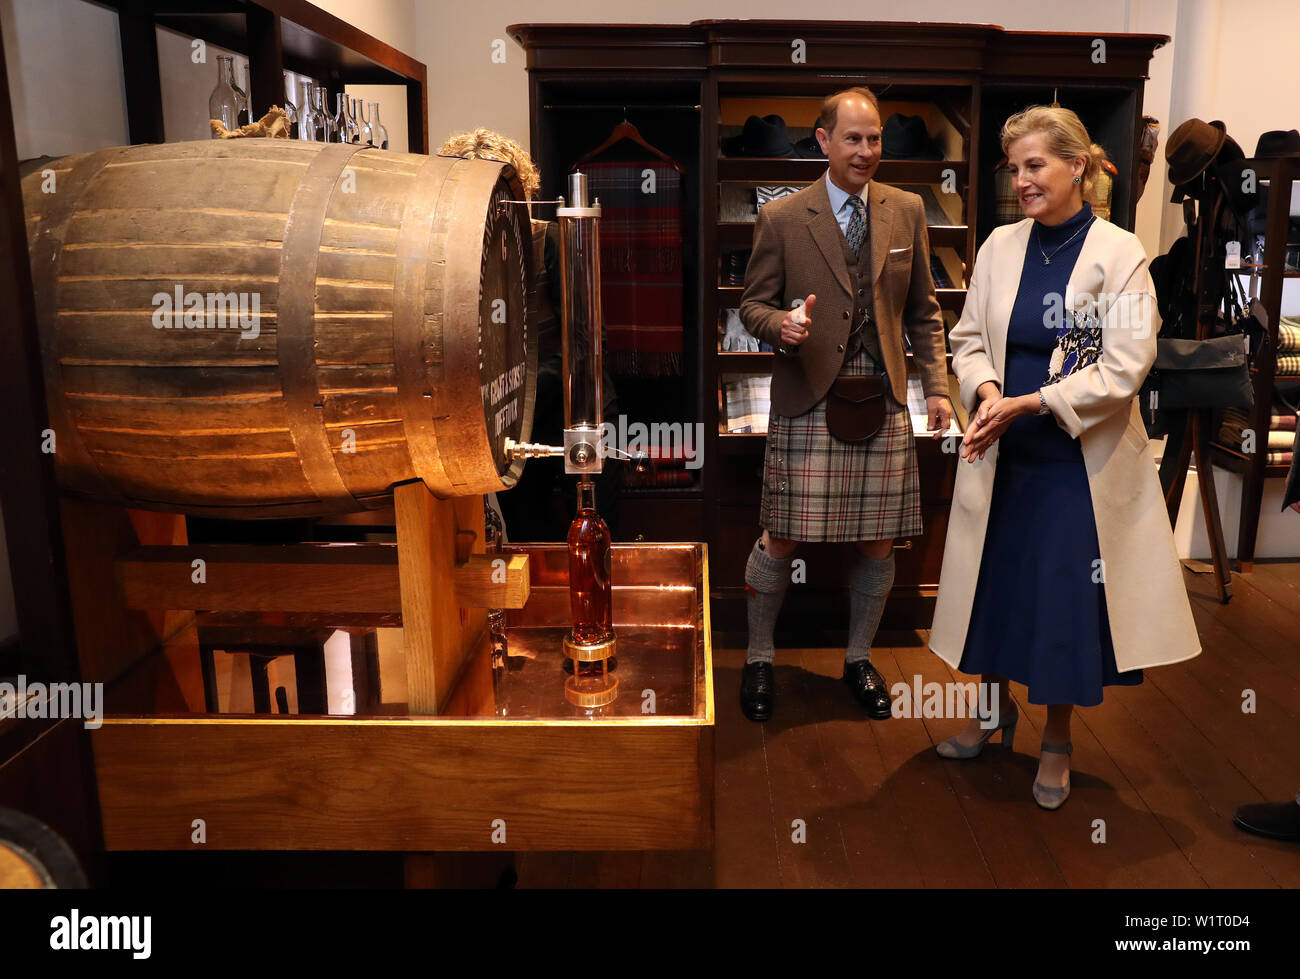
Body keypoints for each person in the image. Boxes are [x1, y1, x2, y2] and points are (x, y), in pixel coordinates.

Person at [928, 106, 1201, 809]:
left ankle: (1056, 741)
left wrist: (1029, 403)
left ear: (1077, 165)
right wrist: (988, 390)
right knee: (994, 588)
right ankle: (993, 718)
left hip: (1073, 464)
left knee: (1058, 604)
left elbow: (1125, 367)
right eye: (1014, 168)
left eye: (1035, 165)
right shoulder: (997, 247)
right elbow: (966, 338)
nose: (1021, 180)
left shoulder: (1121, 255)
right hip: (1000, 455)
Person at [738, 87, 951, 722]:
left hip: (882, 395)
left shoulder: (906, 209)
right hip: (807, 395)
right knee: (781, 536)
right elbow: (751, 307)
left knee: (879, 540)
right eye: (853, 138)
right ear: (824, 141)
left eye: (875, 138)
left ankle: (858, 658)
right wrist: (782, 327)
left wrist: (937, 388)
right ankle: (757, 657)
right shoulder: (782, 217)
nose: (866, 151)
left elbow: (923, 311)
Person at [438, 129, 621, 541]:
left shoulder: (549, 237)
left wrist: (514, 389)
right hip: (510, 422)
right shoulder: (453, 251)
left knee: (593, 534)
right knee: (527, 538)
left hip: (578, 409)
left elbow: (590, 341)